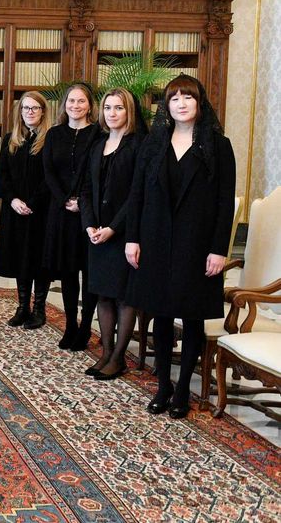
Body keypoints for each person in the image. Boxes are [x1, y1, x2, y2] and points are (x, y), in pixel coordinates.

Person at [126, 75, 235, 419]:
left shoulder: (218, 145)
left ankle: (183, 388)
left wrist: (218, 249)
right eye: (174, 98)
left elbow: (225, 203)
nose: (181, 104)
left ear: (199, 104)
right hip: (155, 240)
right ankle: (163, 386)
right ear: (167, 106)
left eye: (188, 98)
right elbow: (136, 195)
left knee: (191, 318)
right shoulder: (153, 144)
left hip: (197, 245)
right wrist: (132, 238)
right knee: (160, 314)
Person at [79, 88, 146, 380]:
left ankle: (118, 358)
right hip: (97, 233)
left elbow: (137, 195)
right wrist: (89, 225)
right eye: (108, 107)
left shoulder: (138, 146)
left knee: (123, 297)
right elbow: (85, 190)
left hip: (124, 233)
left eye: (119, 107)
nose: (112, 113)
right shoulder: (97, 145)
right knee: (102, 295)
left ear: (129, 111)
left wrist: (113, 228)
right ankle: (106, 353)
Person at [42, 82, 101, 351]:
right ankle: (70, 325)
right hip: (61, 212)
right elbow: (49, 171)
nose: (75, 106)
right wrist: (65, 199)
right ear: (64, 105)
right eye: (71, 101)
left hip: (89, 213)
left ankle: (86, 326)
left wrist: (82, 202)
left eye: (81, 101)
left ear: (90, 106)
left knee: (88, 272)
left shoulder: (99, 134)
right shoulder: (54, 134)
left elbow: (96, 172)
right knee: (67, 271)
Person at [0, 91, 52, 329]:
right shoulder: (11, 139)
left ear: (43, 111)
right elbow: (2, 177)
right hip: (15, 210)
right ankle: (22, 307)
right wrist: (13, 200)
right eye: (25, 108)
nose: (30, 112)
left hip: (41, 211)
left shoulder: (51, 139)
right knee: (20, 258)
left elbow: (51, 178)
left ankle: (39, 309)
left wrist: (32, 203)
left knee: (39, 259)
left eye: (34, 108)